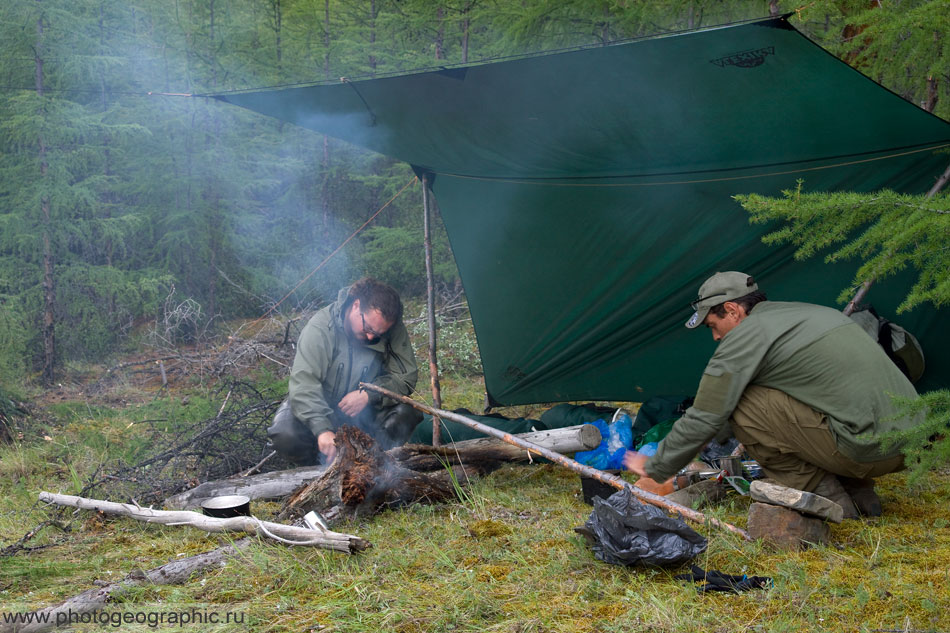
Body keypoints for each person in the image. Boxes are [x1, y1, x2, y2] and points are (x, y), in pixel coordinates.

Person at [623, 271, 922, 518]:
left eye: (713, 326)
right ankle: (858, 490)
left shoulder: (747, 335)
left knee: (739, 403)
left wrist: (656, 465)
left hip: (865, 447)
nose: (715, 337)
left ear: (732, 310)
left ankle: (827, 495)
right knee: (786, 399)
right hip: (914, 444)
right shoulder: (808, 313)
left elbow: (707, 414)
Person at [267, 277, 422, 465]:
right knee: (285, 433)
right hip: (321, 404)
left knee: (407, 412)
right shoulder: (321, 327)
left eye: (378, 334)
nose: (371, 336)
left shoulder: (391, 328)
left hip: (365, 411)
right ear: (356, 306)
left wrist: (369, 394)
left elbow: (406, 378)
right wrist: (322, 429)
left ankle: (372, 466)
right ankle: (316, 470)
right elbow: (304, 385)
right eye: (368, 328)